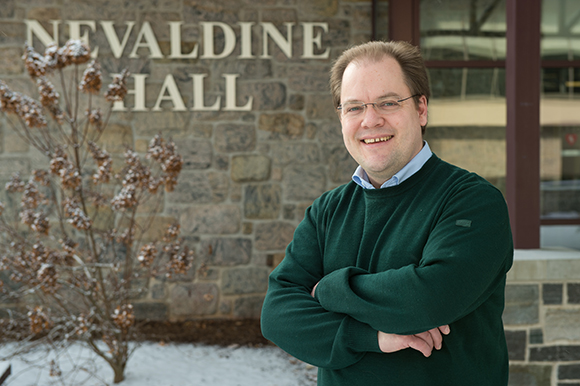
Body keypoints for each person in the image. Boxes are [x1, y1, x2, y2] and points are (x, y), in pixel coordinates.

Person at [260, 40, 514, 386]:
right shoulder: (327, 211)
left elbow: (427, 300)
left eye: (388, 102)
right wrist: (372, 337)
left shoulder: (472, 202)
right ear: (341, 119)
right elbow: (277, 315)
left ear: (421, 109)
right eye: (354, 108)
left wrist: (327, 290)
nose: (370, 120)